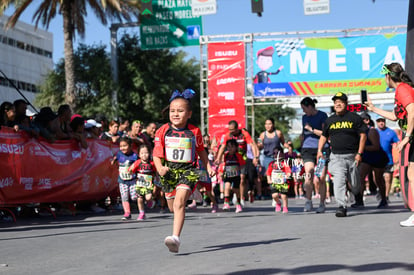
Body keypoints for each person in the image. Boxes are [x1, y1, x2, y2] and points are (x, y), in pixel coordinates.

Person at [153, 89, 214, 253]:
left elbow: (201, 151)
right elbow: (156, 154)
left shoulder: (195, 132)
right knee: (173, 207)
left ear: (189, 114)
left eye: (180, 111)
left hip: (189, 170)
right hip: (168, 172)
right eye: (172, 111)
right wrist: (160, 169)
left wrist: (208, 166)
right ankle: (190, 193)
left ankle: (175, 238)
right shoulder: (163, 131)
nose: (175, 114)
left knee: (180, 203)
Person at [365, 63, 414, 226]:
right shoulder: (399, 90)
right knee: (411, 176)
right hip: (412, 136)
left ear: (388, 76)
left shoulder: (402, 89)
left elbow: (413, 111)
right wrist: (373, 108)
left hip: (412, 136)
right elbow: (395, 116)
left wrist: (406, 137)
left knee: (412, 176)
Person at [317, 92, 367, 217]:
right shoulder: (330, 120)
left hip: (352, 156)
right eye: (335, 102)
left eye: (340, 102)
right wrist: (319, 150)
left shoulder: (355, 118)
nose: (337, 104)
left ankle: (357, 194)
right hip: (336, 157)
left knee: (355, 184)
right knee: (339, 181)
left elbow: (363, 135)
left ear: (346, 103)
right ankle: (341, 206)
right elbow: (324, 136)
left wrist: (359, 153)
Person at [216, 120, 260, 206]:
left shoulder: (244, 134)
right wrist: (218, 158)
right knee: (230, 179)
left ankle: (241, 197)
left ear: (237, 129)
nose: (230, 131)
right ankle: (234, 195)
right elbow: (222, 147)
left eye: (232, 129)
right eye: (229, 129)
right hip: (232, 159)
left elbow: (252, 145)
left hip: (242, 159)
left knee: (242, 178)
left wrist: (255, 157)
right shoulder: (228, 135)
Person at [300, 97, 329, 213]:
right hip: (307, 149)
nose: (303, 111)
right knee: (309, 173)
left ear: (310, 107)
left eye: (304, 108)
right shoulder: (304, 118)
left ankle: (322, 203)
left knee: (321, 177)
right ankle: (308, 200)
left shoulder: (322, 115)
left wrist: (311, 129)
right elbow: (304, 133)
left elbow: (325, 133)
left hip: (322, 149)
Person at [354, 112, 388, 209]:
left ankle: (383, 199)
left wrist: (362, 147)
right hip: (366, 157)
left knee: (378, 179)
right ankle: (359, 200)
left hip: (377, 157)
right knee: (360, 177)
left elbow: (376, 146)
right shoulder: (360, 132)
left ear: (367, 121)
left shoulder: (372, 131)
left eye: (361, 120)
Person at [111, 137, 138, 221]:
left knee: (134, 197)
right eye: (121, 146)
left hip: (132, 180)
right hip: (122, 180)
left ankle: (139, 200)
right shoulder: (119, 154)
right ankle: (127, 213)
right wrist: (114, 161)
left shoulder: (134, 156)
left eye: (125, 146)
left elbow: (139, 164)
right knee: (124, 196)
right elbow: (115, 158)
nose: (122, 148)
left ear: (130, 146)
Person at [129, 144, 156, 221]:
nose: (144, 155)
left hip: (148, 184)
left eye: (146, 153)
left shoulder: (152, 163)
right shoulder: (137, 163)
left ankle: (150, 201)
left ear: (149, 153)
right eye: (142, 153)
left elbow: (155, 172)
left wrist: (155, 180)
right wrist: (130, 171)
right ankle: (141, 213)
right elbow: (130, 171)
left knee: (148, 197)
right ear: (139, 154)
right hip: (139, 184)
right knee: (140, 199)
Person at [258, 118, 284, 198]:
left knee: (277, 175)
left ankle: (277, 192)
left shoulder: (278, 133)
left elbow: (283, 143)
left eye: (269, 124)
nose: (268, 126)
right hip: (267, 158)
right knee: (269, 175)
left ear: (273, 124)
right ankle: (273, 193)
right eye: (266, 124)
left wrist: (288, 147)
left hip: (277, 158)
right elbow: (259, 145)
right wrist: (259, 145)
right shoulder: (262, 135)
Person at [219, 139, 246, 213]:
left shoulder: (238, 156)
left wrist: (238, 168)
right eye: (228, 147)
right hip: (228, 175)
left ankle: (238, 204)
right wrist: (222, 172)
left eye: (232, 147)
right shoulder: (226, 155)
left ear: (236, 147)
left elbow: (243, 164)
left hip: (236, 175)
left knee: (236, 190)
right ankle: (226, 203)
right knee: (227, 187)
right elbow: (224, 164)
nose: (230, 148)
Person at [376, 117, 400, 200]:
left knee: (388, 178)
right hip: (376, 159)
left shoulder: (391, 132)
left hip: (388, 160)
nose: (381, 123)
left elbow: (397, 145)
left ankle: (385, 196)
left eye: (382, 121)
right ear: (376, 122)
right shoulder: (374, 132)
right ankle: (380, 190)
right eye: (379, 121)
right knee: (377, 178)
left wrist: (397, 159)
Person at [267, 149, 291, 213]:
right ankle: (278, 202)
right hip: (274, 182)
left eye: (278, 153)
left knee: (284, 195)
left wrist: (287, 175)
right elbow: (268, 173)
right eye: (274, 153)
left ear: (282, 154)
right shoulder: (271, 164)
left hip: (283, 182)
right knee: (274, 195)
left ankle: (285, 207)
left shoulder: (284, 163)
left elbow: (288, 171)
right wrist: (269, 180)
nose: (276, 155)